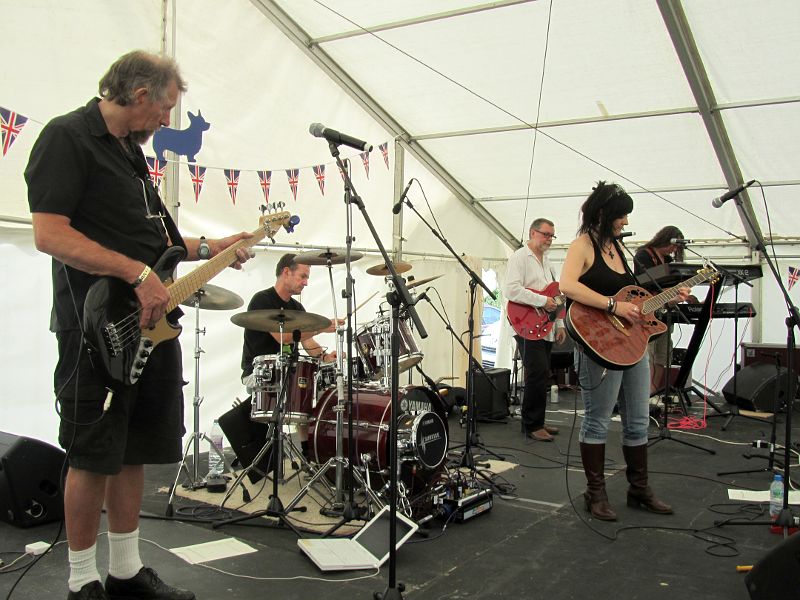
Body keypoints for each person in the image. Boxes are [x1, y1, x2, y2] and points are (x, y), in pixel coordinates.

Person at [26, 50, 253, 600]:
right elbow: (50, 234)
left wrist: (208, 247)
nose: (167, 122)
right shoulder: (67, 137)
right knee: (92, 452)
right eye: (166, 108)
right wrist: (136, 272)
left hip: (153, 326)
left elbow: (154, 242)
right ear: (141, 94)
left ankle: (125, 573)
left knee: (133, 451)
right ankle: (83, 581)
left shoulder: (132, 153)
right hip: (96, 327)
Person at [559, 182, 689, 521]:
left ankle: (639, 488)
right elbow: (567, 285)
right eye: (621, 216)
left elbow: (633, 297)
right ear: (603, 214)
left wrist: (667, 297)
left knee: (638, 420)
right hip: (597, 343)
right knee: (598, 420)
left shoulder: (618, 248)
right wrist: (612, 306)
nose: (626, 222)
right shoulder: (582, 245)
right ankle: (595, 493)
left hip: (630, 344)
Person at [240, 253, 340, 458]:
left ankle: (309, 456)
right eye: (303, 276)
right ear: (286, 272)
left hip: (289, 373)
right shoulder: (263, 300)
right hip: (260, 374)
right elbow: (284, 337)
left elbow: (307, 342)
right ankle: (267, 454)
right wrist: (322, 327)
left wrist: (324, 356)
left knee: (310, 396)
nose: (306, 282)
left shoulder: (297, 308)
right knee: (299, 389)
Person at [503, 218, 567, 442]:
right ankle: (531, 424)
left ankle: (537, 420)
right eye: (545, 234)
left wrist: (559, 324)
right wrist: (542, 301)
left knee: (542, 373)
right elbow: (511, 290)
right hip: (526, 323)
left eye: (552, 235)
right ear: (532, 232)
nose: (549, 239)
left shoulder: (548, 262)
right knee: (536, 372)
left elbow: (556, 296)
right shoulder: (520, 257)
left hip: (546, 325)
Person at [633, 226, 697, 394]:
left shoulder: (668, 261)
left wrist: (685, 296)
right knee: (650, 354)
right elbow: (644, 283)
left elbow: (672, 286)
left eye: (677, 248)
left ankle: (653, 391)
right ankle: (644, 393)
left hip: (664, 312)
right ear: (666, 238)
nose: (674, 250)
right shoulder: (644, 254)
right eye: (674, 245)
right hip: (648, 309)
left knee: (662, 355)